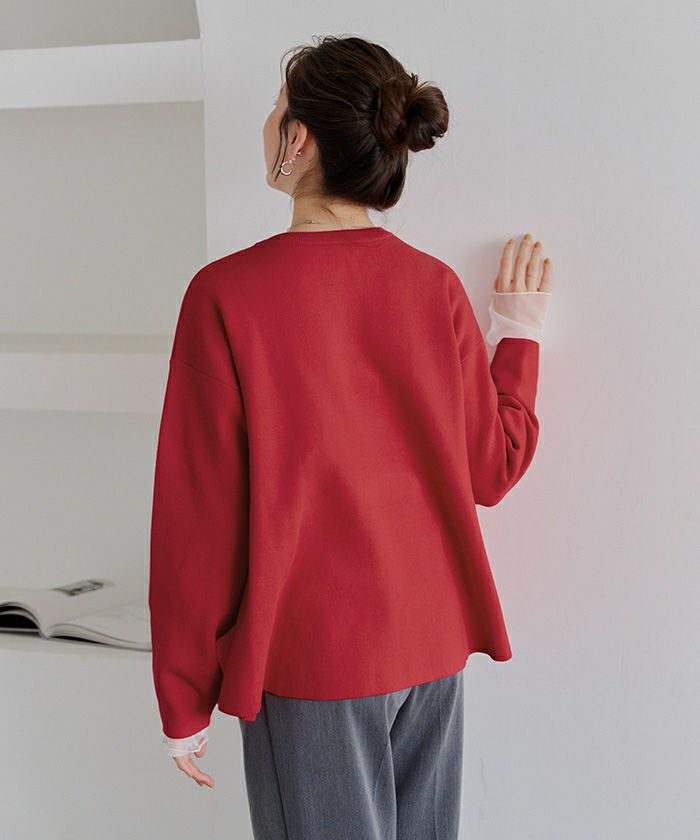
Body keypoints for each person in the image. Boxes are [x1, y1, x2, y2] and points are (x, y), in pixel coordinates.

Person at [148, 34, 552, 839]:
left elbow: (199, 518)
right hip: (432, 650)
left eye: (275, 109)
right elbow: (492, 468)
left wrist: (184, 698)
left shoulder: (227, 296)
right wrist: (518, 335)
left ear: (298, 138)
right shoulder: (433, 288)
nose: (267, 124)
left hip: (310, 660)